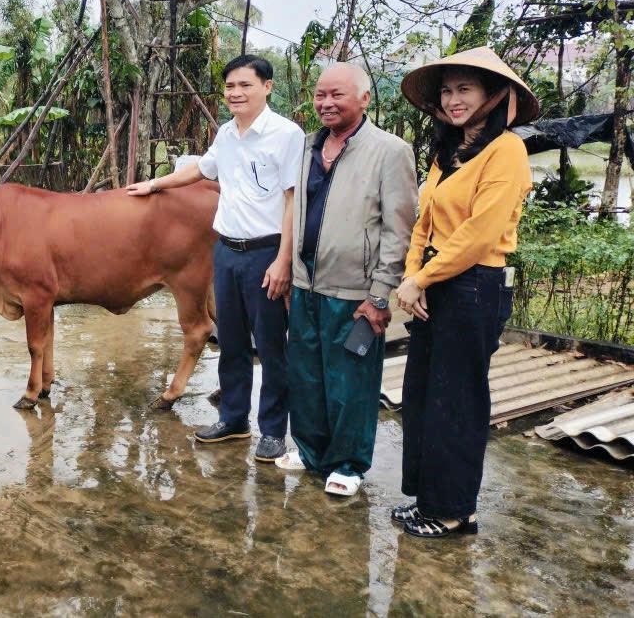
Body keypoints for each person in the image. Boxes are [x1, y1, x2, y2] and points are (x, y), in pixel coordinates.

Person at [127, 54, 304, 461]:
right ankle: (234, 419)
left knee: (272, 345)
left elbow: (294, 200)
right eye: (230, 87)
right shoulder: (226, 133)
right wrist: (153, 185)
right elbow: (201, 170)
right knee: (233, 342)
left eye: (245, 85)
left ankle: (274, 430)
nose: (236, 93)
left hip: (265, 253)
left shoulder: (286, 134)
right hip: (225, 251)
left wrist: (283, 261)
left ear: (267, 87)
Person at [392, 46, 536, 538]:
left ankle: (455, 512)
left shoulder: (507, 151)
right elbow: (424, 222)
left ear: (494, 95)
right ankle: (430, 500)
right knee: (423, 395)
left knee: (457, 400)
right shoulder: (447, 152)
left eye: (465, 89)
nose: (454, 100)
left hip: (474, 285)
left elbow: (478, 234)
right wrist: (413, 274)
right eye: (448, 90)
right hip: (433, 280)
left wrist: (421, 279)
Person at [276, 63, 417, 496]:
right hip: (306, 285)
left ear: (364, 99)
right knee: (306, 375)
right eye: (320, 95)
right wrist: (291, 270)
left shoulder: (389, 151)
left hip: (355, 290)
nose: (326, 103)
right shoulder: (305, 146)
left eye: (337, 95)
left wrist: (380, 295)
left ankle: (349, 464)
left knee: (350, 381)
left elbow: (399, 229)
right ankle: (311, 449)